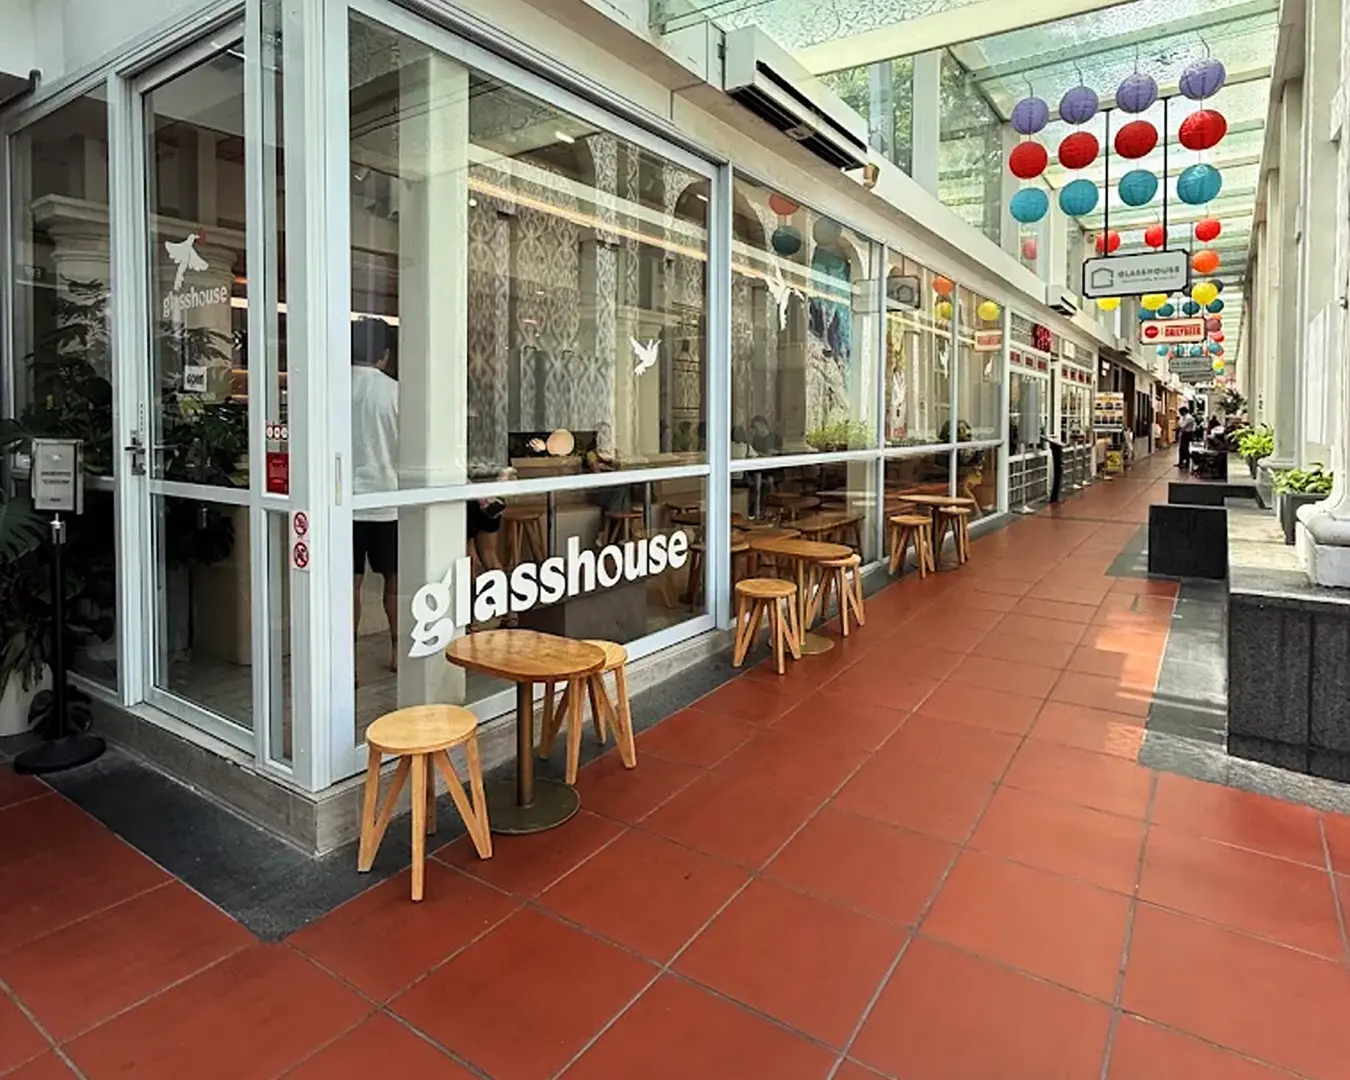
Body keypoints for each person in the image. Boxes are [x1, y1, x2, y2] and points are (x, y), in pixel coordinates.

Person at [350, 317, 399, 672]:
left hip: (344, 504)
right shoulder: (396, 393)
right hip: (390, 500)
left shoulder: (331, 389)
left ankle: (348, 662)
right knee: (395, 581)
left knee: (349, 586)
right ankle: (399, 654)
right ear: (384, 354)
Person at [1177, 406, 1197, 470]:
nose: (1180, 414)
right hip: (1184, 433)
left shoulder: (1188, 418)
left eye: (1180, 412)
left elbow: (1182, 426)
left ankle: (1187, 463)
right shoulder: (1185, 417)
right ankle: (1181, 462)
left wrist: (1178, 428)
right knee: (1182, 448)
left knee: (1185, 449)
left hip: (1187, 434)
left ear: (1183, 411)